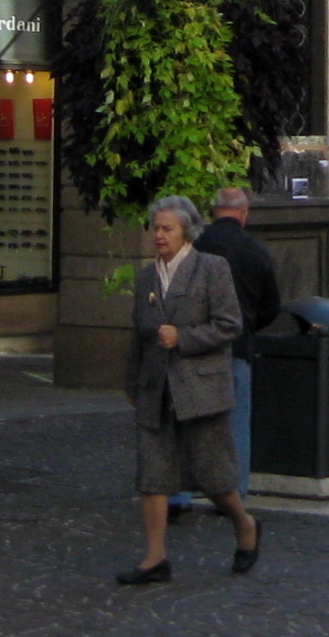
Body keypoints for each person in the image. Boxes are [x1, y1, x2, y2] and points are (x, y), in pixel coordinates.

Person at [117, 197, 260, 585]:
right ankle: (155, 557)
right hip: (155, 389)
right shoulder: (147, 277)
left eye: (168, 229)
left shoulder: (211, 268)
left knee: (213, 476)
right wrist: (132, 383)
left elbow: (230, 325)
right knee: (153, 474)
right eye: (156, 228)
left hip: (199, 388)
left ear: (186, 232)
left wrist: (185, 337)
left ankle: (244, 525)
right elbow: (140, 337)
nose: (159, 236)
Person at [167, 185, 280, 512]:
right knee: (235, 424)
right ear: (244, 214)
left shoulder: (194, 246)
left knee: (186, 421)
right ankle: (233, 494)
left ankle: (179, 494)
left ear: (214, 211)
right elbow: (270, 306)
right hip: (236, 346)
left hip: (192, 347)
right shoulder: (255, 251)